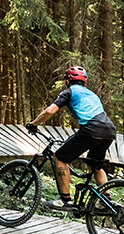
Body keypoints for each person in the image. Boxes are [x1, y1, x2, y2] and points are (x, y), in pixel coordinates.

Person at [26, 66, 116, 212]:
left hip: (91, 129)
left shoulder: (69, 92)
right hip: (109, 130)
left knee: (60, 158)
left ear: (68, 81)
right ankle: (106, 201)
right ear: (84, 82)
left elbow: (50, 111)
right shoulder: (93, 95)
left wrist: (33, 124)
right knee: (95, 165)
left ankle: (65, 200)